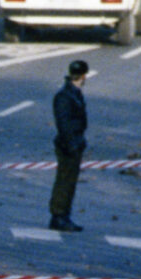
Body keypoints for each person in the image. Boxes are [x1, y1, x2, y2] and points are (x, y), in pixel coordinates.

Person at [48, 59, 89, 232]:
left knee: (69, 181)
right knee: (65, 181)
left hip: (75, 143)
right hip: (68, 145)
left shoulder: (74, 92)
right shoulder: (65, 95)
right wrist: (72, 144)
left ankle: (64, 214)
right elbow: (63, 124)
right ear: (84, 75)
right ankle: (59, 215)